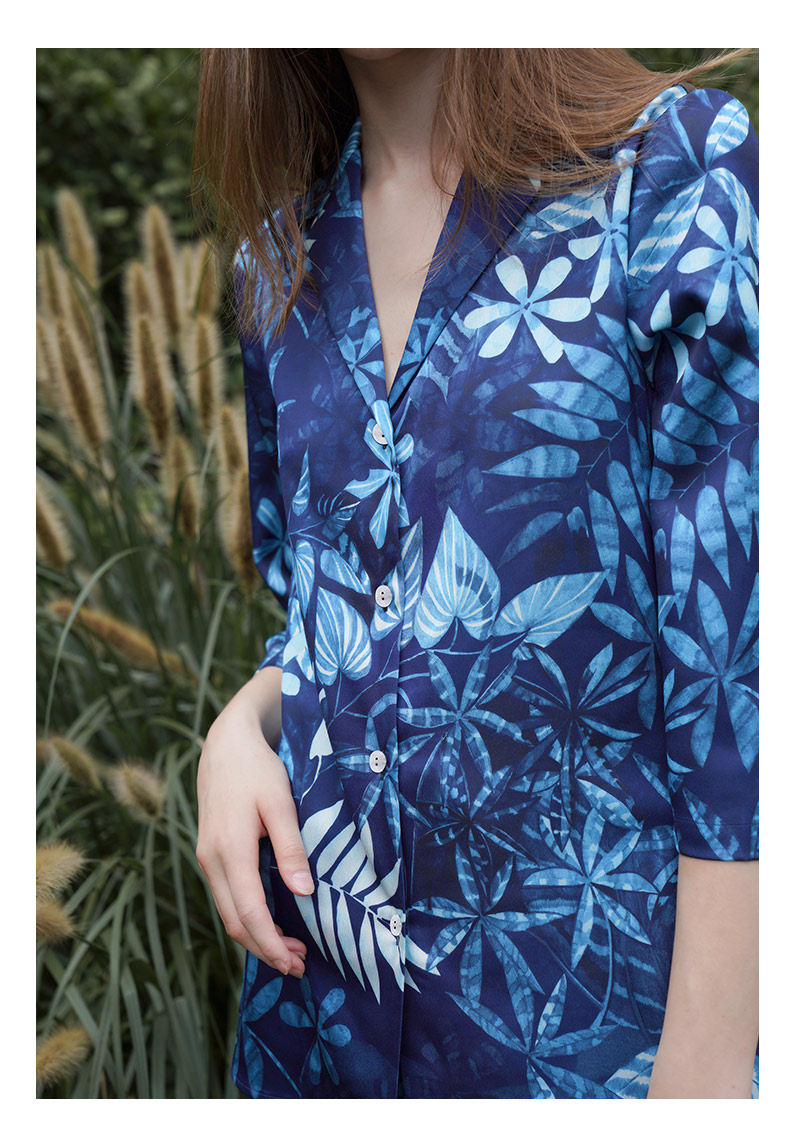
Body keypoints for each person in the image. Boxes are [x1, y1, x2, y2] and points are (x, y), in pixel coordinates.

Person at [192, 48, 759, 1099]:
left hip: (600, 1036)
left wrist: (708, 1079)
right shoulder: (274, 262)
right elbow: (330, 610)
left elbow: (746, 666)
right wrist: (241, 727)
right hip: (315, 1029)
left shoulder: (668, 173)